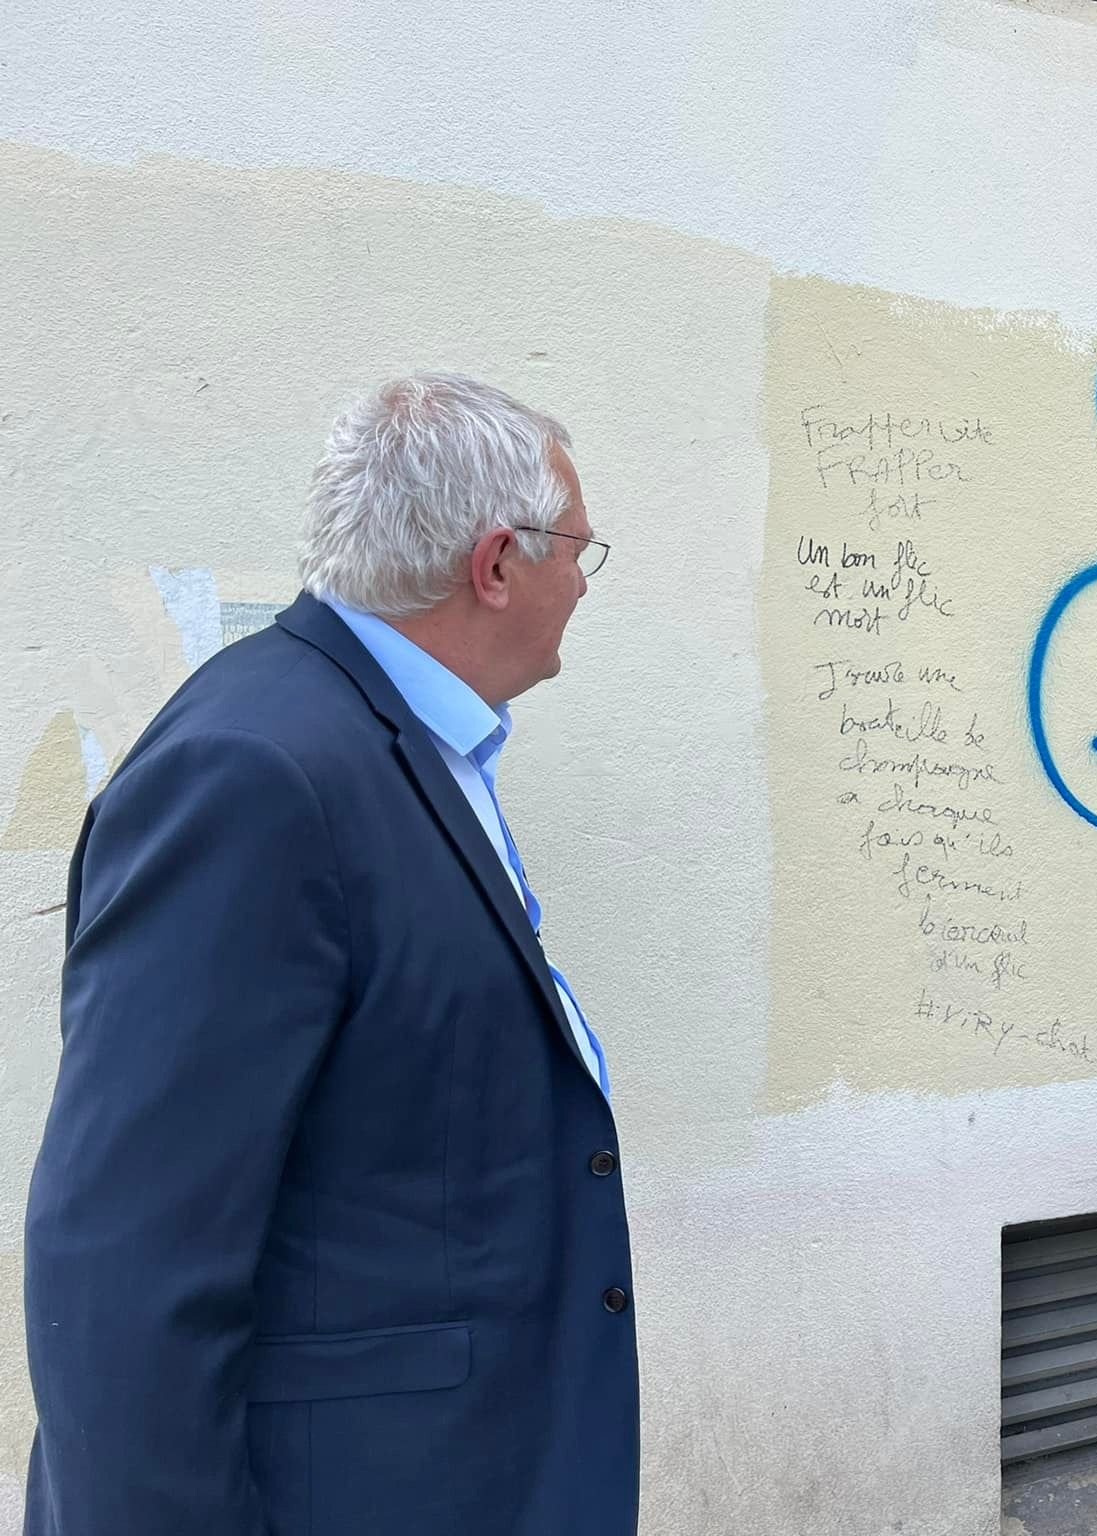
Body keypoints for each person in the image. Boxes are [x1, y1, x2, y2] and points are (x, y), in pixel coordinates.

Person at [22, 373, 637, 1535]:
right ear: (496, 565)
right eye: (576, 554)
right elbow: (123, 1260)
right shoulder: (258, 774)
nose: (581, 587)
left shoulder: (398, 737)